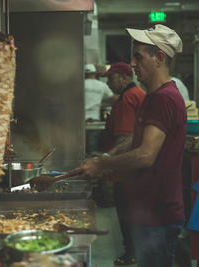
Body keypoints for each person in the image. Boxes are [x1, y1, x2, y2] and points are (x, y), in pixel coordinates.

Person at [72, 24, 186, 267]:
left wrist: (102, 164)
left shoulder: (164, 98)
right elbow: (134, 141)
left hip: (158, 214)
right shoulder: (152, 96)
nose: (133, 64)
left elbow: (146, 155)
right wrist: (102, 158)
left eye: (139, 56)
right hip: (147, 211)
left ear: (159, 58)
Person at [101, 62, 146, 265]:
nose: (108, 83)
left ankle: (132, 253)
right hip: (133, 168)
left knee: (126, 210)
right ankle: (135, 250)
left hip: (126, 170)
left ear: (124, 78)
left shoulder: (128, 98)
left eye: (111, 78)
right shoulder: (135, 94)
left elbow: (124, 138)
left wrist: (107, 162)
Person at [84, 64, 116, 156]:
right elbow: (113, 98)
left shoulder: (80, 85)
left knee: (81, 147)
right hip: (95, 119)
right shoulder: (102, 85)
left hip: (81, 119)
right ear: (94, 74)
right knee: (92, 146)